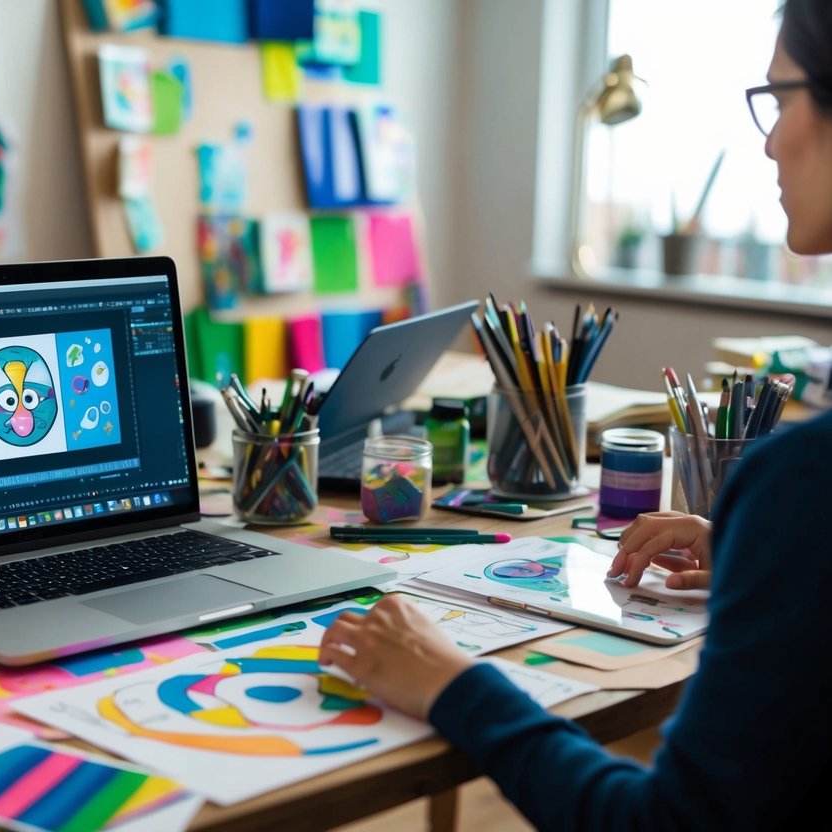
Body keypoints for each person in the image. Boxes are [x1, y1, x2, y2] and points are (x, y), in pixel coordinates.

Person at [320, 2, 832, 828]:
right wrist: (766, 552)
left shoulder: (802, 484)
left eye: (778, 98)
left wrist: (453, 682)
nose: (768, 142)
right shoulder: (798, 501)